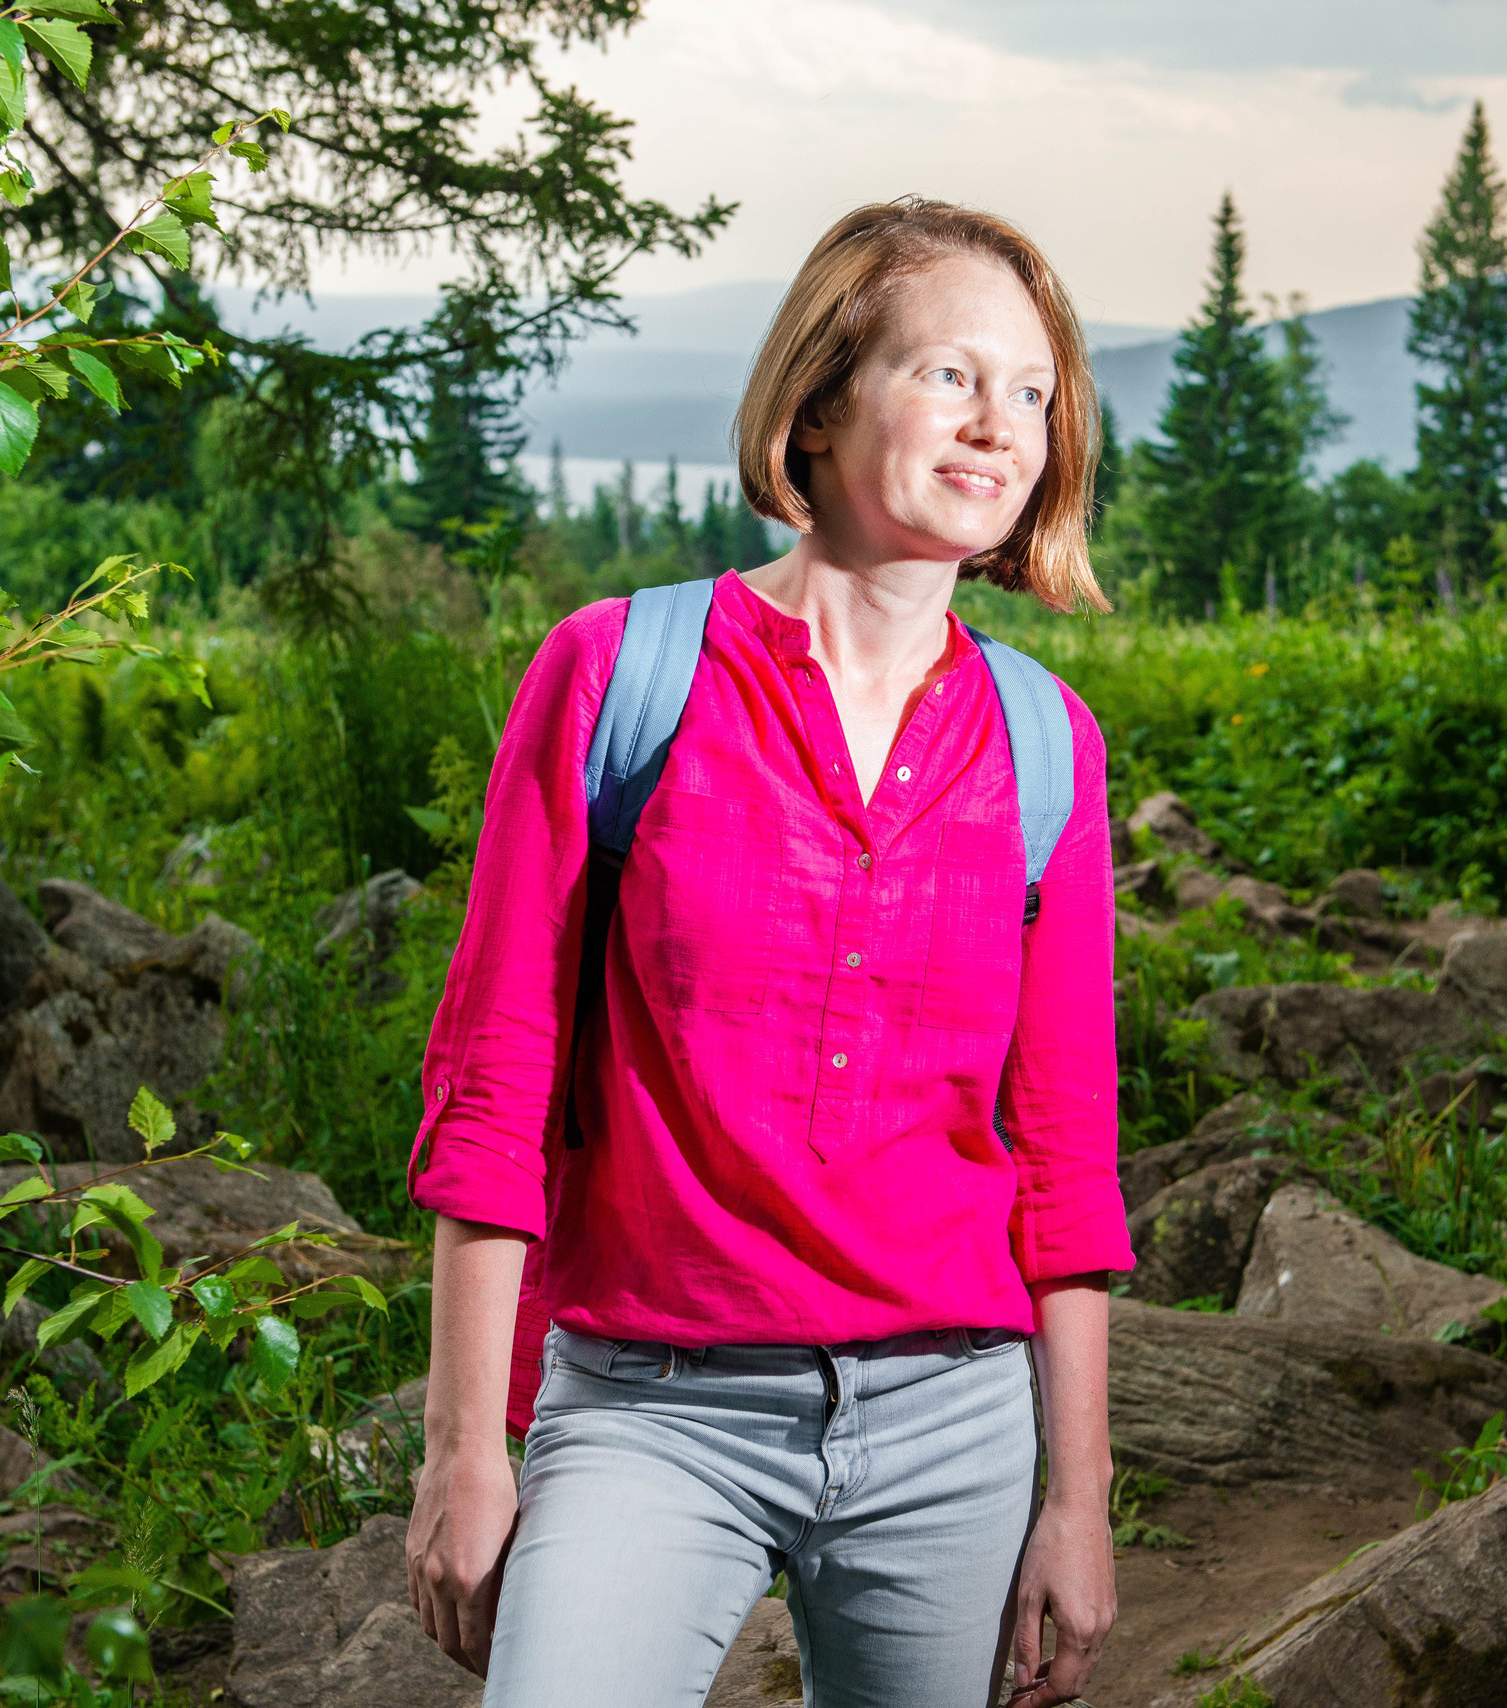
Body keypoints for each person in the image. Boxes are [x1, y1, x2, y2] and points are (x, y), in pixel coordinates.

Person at [401, 197, 1134, 1708]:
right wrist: (468, 1451)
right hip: (651, 1406)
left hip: (955, 1423)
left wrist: (1081, 1499)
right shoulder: (619, 674)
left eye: (1036, 392)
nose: (1001, 423)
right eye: (948, 375)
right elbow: (494, 1092)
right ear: (812, 408)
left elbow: (1065, 1162)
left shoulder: (1047, 745)